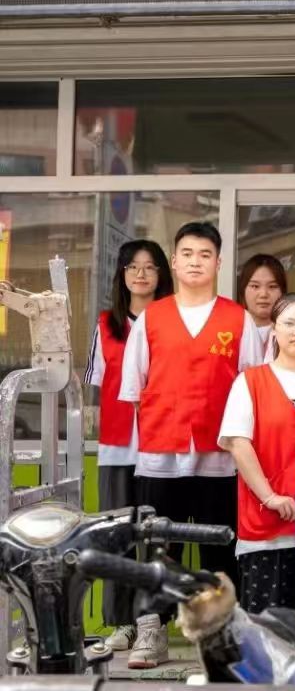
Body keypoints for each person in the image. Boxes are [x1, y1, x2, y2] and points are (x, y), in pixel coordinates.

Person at [118, 222, 263, 669]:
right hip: (161, 455)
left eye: (205, 254)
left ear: (218, 263)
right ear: (174, 262)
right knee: (159, 548)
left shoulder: (238, 319)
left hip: (221, 457)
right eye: (187, 253)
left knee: (221, 549)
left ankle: (224, 635)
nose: (196, 262)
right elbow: (136, 388)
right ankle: (152, 631)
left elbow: (253, 389)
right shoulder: (151, 318)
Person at [217, 294, 295, 613]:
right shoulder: (251, 381)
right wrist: (270, 497)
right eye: (289, 323)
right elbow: (238, 443)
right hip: (266, 525)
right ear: (274, 329)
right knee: (267, 626)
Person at [84, 239, 173, 654]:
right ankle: (122, 622)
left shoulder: (173, 321)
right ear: (121, 274)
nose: (141, 274)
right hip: (119, 446)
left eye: (150, 267)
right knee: (117, 535)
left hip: (165, 445)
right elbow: (99, 386)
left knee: (157, 536)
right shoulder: (107, 324)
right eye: (132, 267)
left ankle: (156, 622)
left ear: (161, 275)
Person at [237, 254, 286, 355]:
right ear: (242, 290)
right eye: (255, 286)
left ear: (283, 292)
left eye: (272, 287)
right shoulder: (230, 331)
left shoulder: (292, 333)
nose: (263, 294)